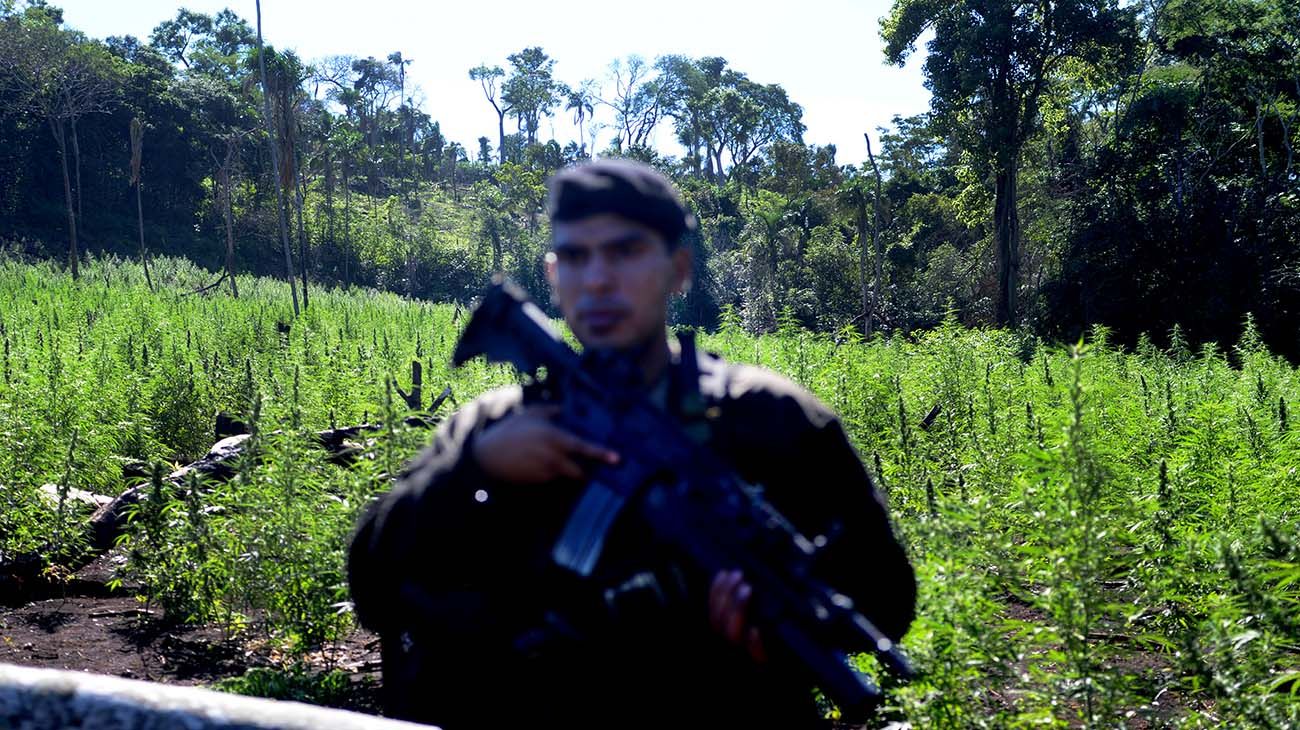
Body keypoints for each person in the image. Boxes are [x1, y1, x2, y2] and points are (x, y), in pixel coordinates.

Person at [347, 158, 916, 729]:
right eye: (575, 257)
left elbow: (887, 598)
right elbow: (371, 585)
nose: (597, 279)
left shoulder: (769, 417)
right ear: (551, 274)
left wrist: (766, 629)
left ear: (679, 270)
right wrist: (475, 468)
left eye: (624, 252)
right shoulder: (495, 425)